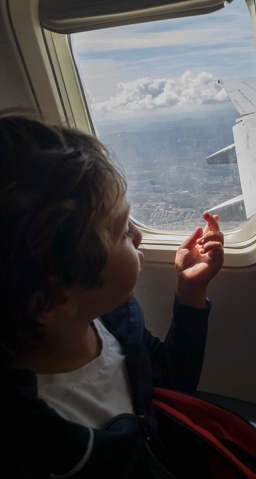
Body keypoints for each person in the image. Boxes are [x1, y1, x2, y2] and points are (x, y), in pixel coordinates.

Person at [0, 114, 224, 478]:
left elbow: (171, 381)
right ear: (52, 300)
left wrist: (191, 293)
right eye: (121, 232)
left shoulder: (110, 319)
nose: (138, 236)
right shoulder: (35, 443)